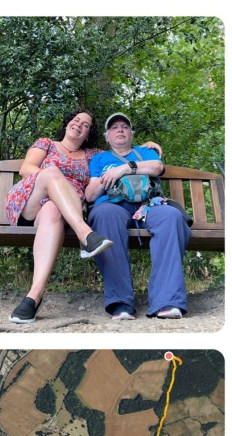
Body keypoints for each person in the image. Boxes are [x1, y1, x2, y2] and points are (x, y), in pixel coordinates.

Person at [5, 111, 112, 324]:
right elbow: (26, 169)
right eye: (76, 120)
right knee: (53, 172)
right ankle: (86, 235)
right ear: (67, 123)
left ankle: (33, 296)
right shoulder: (47, 144)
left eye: (86, 124)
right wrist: (54, 182)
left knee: (53, 209)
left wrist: (146, 146)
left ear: (89, 133)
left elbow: (121, 152)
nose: (79, 125)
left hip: (62, 209)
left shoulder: (93, 155)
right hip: (32, 199)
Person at [85, 113, 191, 320]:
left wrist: (123, 169)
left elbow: (157, 168)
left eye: (125, 127)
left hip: (149, 205)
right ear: (107, 136)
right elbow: (90, 195)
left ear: (131, 134)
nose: (120, 130)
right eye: (114, 127)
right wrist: (104, 179)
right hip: (113, 206)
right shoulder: (99, 159)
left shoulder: (145, 152)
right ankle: (121, 302)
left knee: (171, 216)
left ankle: (167, 301)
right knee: (104, 214)